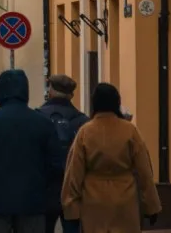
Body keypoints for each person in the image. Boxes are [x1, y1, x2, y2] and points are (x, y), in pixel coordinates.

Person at [0, 69, 64, 233]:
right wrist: (41, 189)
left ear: (0, 93)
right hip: (32, 205)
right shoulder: (43, 123)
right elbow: (55, 165)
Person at [60, 83, 161, 232]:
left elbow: (74, 173)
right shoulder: (130, 131)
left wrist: (71, 208)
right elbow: (144, 171)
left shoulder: (85, 132)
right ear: (117, 103)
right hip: (125, 200)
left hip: (93, 201)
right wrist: (151, 206)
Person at [39, 74, 90, 233]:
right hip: (74, 191)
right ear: (71, 95)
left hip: (43, 190)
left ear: (51, 91)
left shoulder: (37, 117)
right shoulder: (83, 122)